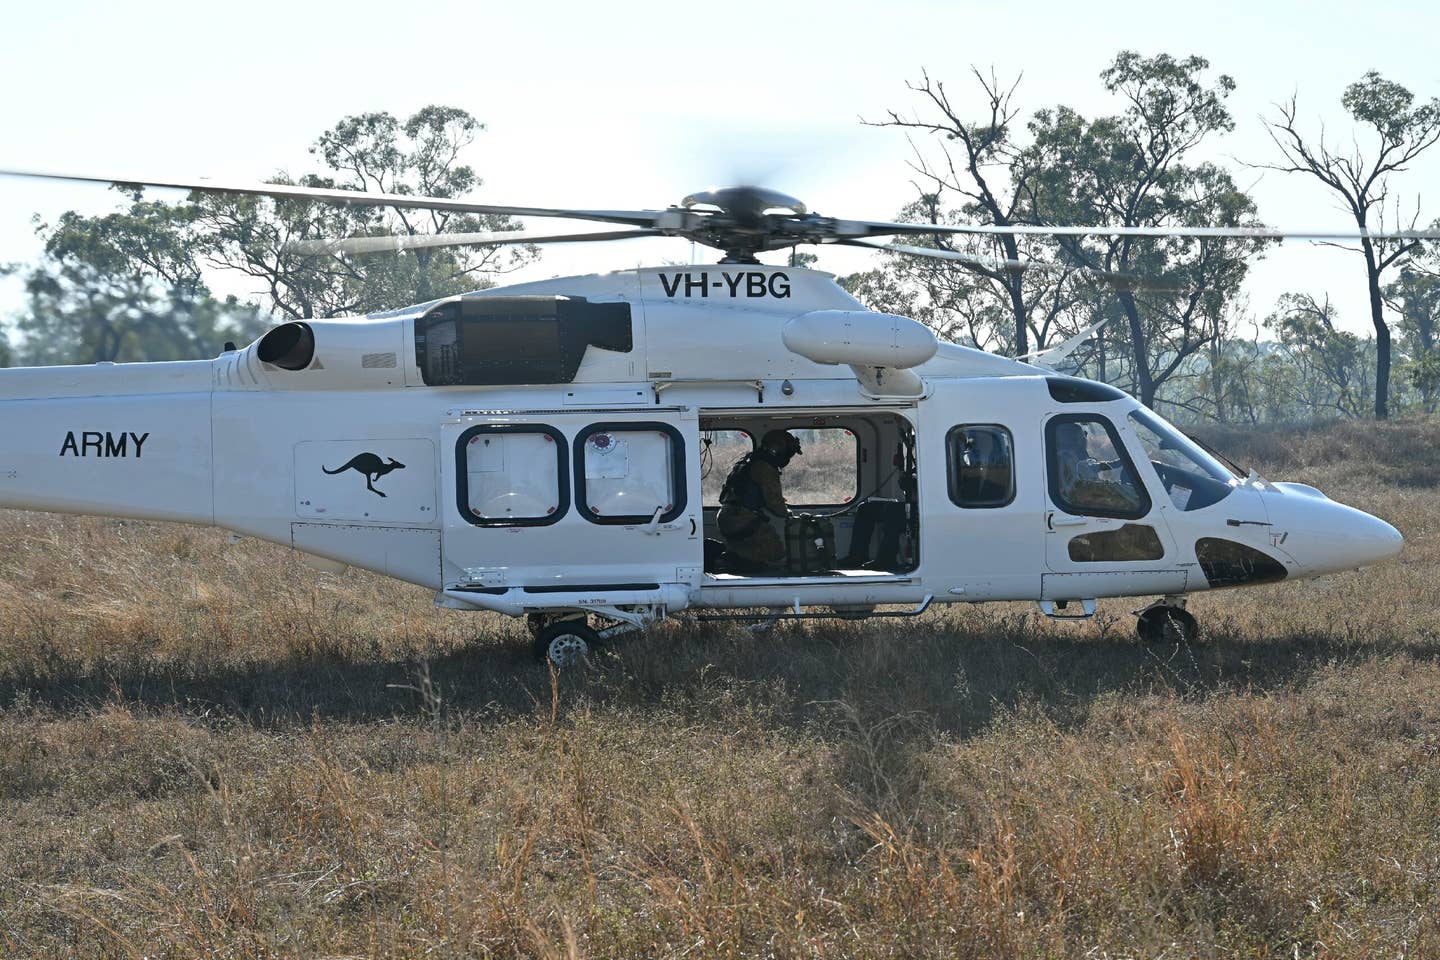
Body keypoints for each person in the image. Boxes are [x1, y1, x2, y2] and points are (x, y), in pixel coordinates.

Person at [717, 429, 801, 571]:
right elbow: (775, 502)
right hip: (741, 519)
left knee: (749, 551)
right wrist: (789, 514)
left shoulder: (749, 461)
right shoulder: (765, 468)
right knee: (776, 552)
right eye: (789, 452)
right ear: (777, 449)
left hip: (728, 516)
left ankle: (731, 560)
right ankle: (728, 559)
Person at [1055, 422, 1142, 512]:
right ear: (1072, 439)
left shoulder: (1074, 457)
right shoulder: (1067, 458)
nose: (1085, 438)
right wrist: (1115, 489)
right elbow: (1082, 484)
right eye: (1082, 435)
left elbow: (1090, 468)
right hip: (1079, 500)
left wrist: (1119, 462)